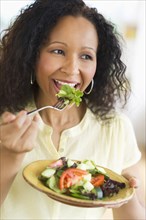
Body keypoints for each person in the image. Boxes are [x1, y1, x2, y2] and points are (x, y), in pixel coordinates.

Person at [0, 0, 145, 219]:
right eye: (58, 51)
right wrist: (9, 155)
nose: (72, 69)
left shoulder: (116, 128)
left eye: (86, 56)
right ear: (31, 55)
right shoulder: (7, 122)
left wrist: (126, 195)